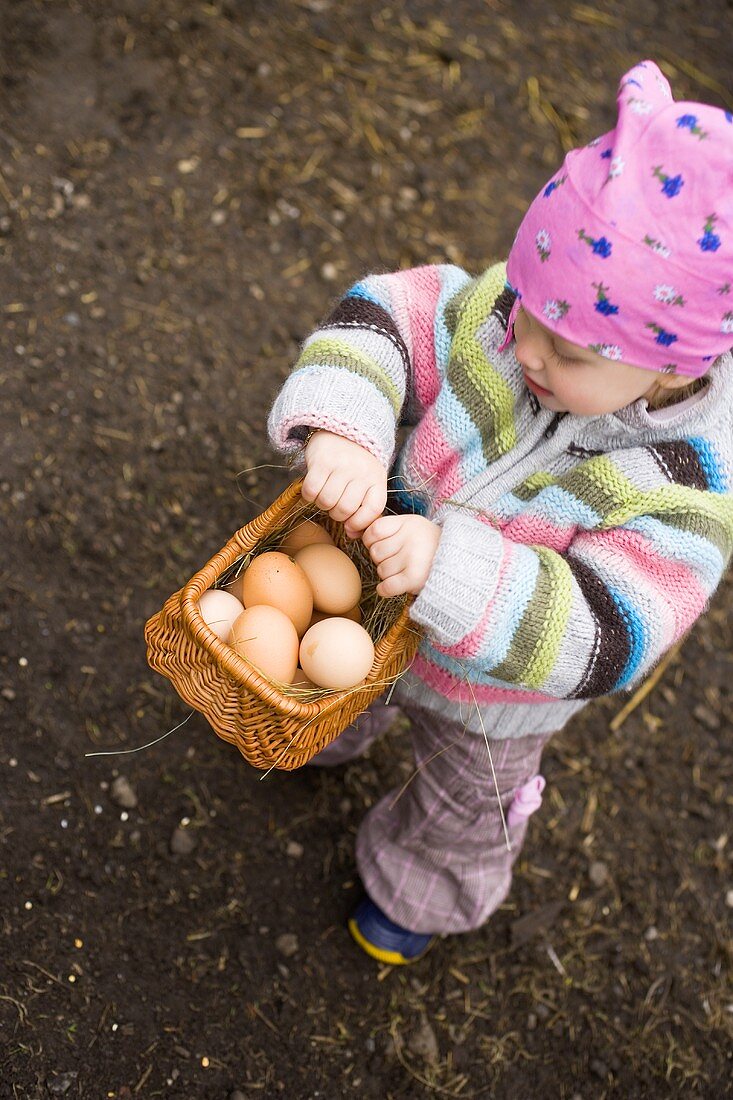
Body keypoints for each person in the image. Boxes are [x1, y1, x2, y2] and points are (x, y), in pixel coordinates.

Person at [267, 60, 733, 964]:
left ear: (673, 369)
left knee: (460, 805)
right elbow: (384, 318)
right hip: (375, 579)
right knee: (339, 671)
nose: (522, 346)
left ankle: (420, 893)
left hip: (491, 696)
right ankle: (325, 726)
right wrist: (347, 430)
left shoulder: (683, 485)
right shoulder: (514, 315)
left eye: (564, 350)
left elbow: (611, 631)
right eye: (523, 307)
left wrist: (451, 570)